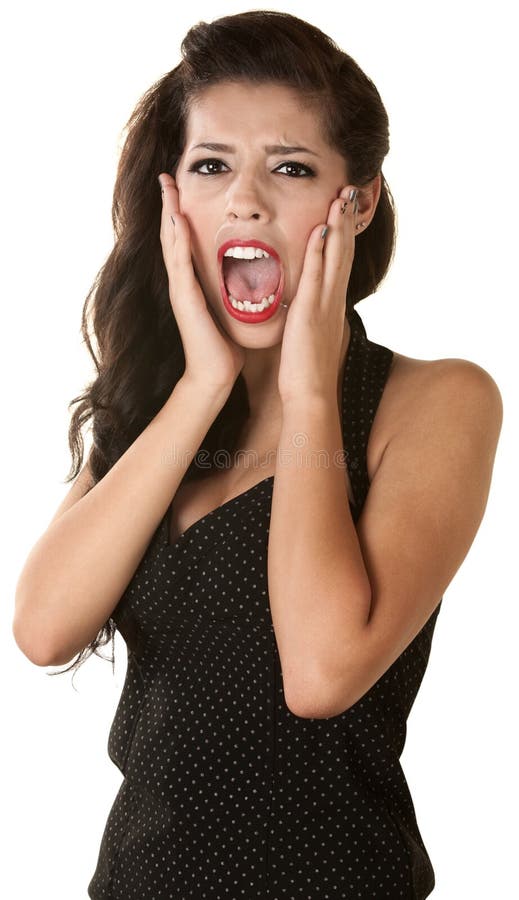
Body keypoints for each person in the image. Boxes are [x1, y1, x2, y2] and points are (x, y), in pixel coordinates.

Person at [12, 10, 502, 899]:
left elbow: (320, 674)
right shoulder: (153, 405)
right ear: (173, 203)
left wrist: (311, 388)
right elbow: (44, 630)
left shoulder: (436, 402)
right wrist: (201, 388)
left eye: (290, 167)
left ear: (353, 202)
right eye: (211, 166)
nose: (245, 198)